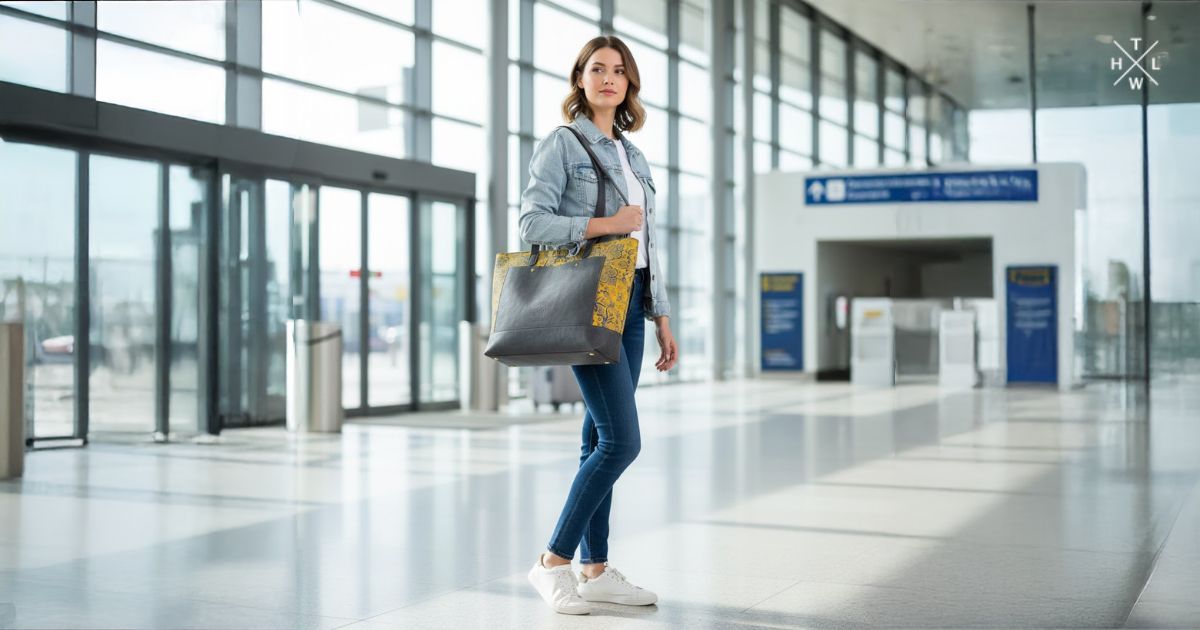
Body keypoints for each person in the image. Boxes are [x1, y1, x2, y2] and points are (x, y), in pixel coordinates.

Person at [519, 35, 679, 615]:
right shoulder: (562, 144)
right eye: (597, 69)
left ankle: (596, 568)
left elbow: (648, 244)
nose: (609, 78)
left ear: (629, 83)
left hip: (632, 301)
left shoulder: (634, 155)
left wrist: (661, 314)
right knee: (621, 440)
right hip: (589, 299)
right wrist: (607, 221)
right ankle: (553, 562)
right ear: (580, 79)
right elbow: (533, 223)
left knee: (596, 437)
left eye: (619, 70)